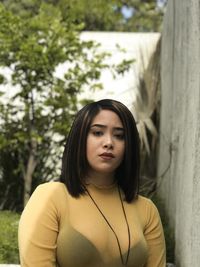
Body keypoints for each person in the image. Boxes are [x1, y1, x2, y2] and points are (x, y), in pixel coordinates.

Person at [18, 99, 166, 267]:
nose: (109, 143)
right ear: (80, 138)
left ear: (129, 145)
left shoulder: (146, 210)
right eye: (97, 133)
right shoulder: (51, 197)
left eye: (119, 136)